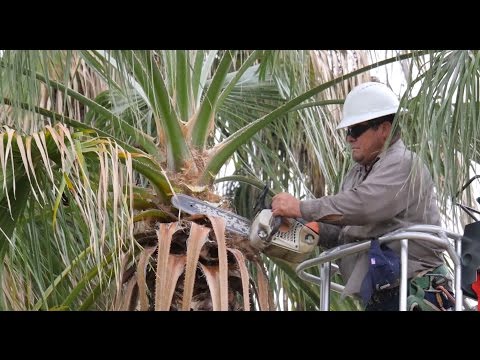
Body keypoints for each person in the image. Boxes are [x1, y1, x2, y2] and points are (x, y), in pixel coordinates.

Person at [271, 81, 454, 311]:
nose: (349, 138)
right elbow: (347, 228)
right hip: (383, 291)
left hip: (415, 289)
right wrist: (313, 228)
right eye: (348, 131)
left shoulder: (403, 163)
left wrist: (301, 208)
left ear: (384, 129)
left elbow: (364, 206)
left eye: (355, 130)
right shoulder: (357, 174)